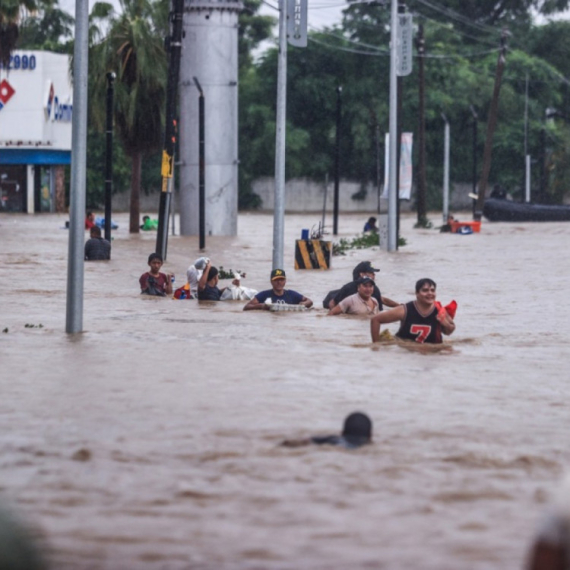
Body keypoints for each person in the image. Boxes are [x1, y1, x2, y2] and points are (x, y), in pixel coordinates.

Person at [370, 278, 455, 344]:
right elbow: (376, 320)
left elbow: (449, 332)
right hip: (406, 352)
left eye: (432, 290)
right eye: (425, 290)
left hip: (431, 355)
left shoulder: (439, 310)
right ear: (417, 293)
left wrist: (445, 323)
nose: (430, 293)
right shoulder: (405, 310)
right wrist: (376, 346)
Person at [326, 261, 398, 310]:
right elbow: (332, 302)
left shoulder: (375, 290)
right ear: (362, 274)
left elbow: (380, 307)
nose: (374, 275)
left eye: (370, 286)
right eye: (371, 272)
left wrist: (400, 306)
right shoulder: (348, 289)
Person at [281, 412, 372, 449]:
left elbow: (307, 440)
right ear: (370, 436)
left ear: (342, 432)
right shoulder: (367, 447)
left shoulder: (333, 439)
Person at [243, 268, 313, 310]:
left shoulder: (291, 294)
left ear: (285, 281)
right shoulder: (264, 294)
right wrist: (262, 306)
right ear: (271, 281)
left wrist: (304, 304)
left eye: (281, 280)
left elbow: (309, 301)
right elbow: (246, 307)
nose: (279, 282)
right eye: (276, 280)